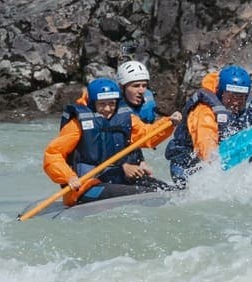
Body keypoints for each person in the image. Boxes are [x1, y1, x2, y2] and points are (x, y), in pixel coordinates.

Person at [42, 77, 179, 204]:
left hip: (117, 179)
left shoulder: (127, 118)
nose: (107, 109)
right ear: (92, 103)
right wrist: (69, 177)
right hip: (86, 187)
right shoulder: (77, 124)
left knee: (166, 190)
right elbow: (54, 154)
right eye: (102, 104)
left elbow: (148, 136)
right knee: (144, 193)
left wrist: (169, 123)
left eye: (111, 104)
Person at [165, 65, 251, 184]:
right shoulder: (204, 112)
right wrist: (214, 165)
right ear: (221, 92)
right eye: (231, 96)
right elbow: (206, 144)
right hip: (186, 167)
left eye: (241, 97)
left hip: (210, 163)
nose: (236, 101)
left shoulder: (237, 111)